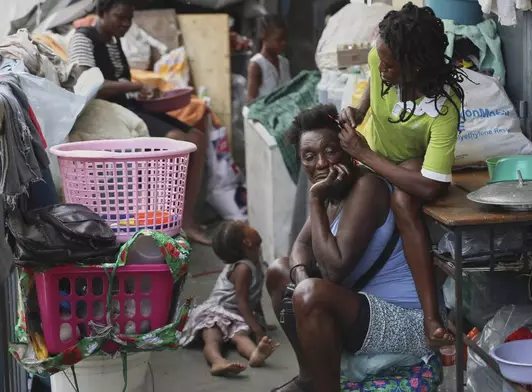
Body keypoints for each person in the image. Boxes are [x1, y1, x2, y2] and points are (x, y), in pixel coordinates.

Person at [266, 104, 441, 392]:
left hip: (404, 321)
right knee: (278, 271)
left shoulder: (365, 186)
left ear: (348, 150)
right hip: (358, 308)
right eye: (309, 157)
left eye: (331, 151)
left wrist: (314, 201)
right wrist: (298, 276)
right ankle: (310, 377)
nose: (321, 163)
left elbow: (334, 270)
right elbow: (299, 244)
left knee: (311, 294)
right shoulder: (330, 191)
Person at [339, 3, 466, 347]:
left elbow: (432, 185)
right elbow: (372, 79)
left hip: (408, 173)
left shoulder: (443, 106)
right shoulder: (381, 59)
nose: (382, 70)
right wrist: (360, 109)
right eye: (380, 61)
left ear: (417, 65)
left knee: (405, 195)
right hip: (372, 161)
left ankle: (430, 318)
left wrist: (363, 153)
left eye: (391, 65)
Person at [67, 0, 211, 245]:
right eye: (119, 17)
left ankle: (187, 221)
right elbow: (89, 84)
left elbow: (121, 84)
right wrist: (136, 86)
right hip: (104, 112)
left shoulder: (114, 41)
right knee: (175, 141)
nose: (125, 24)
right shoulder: (83, 38)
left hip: (125, 107)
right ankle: (162, 223)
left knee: (196, 138)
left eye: (129, 19)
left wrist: (143, 94)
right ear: (101, 13)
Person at [179, 221, 278, 376]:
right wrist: (257, 329)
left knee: (240, 336)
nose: (252, 226)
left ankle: (255, 354)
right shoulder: (243, 268)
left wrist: (260, 321)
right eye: (248, 228)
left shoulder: (258, 262)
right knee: (213, 338)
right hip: (217, 312)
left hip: (236, 315)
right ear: (247, 241)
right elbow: (242, 302)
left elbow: (254, 297)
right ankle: (217, 361)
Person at [246, 15, 290, 102]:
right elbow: (251, 101)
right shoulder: (256, 65)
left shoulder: (284, 63)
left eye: (285, 39)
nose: (283, 43)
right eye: (279, 39)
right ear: (264, 36)